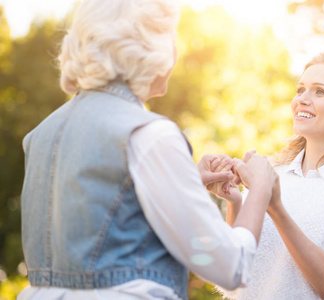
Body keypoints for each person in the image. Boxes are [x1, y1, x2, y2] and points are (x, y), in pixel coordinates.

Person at [18, 0, 278, 300]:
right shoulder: (149, 135)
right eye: (170, 35)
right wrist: (259, 189)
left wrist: (185, 180)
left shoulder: (40, 135)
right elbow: (229, 266)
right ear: (148, 46)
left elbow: (101, 218)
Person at [211, 50, 324, 299]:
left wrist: (275, 207)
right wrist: (234, 202)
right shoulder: (273, 173)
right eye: (300, 90)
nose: (302, 99)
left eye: (320, 91)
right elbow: (231, 279)